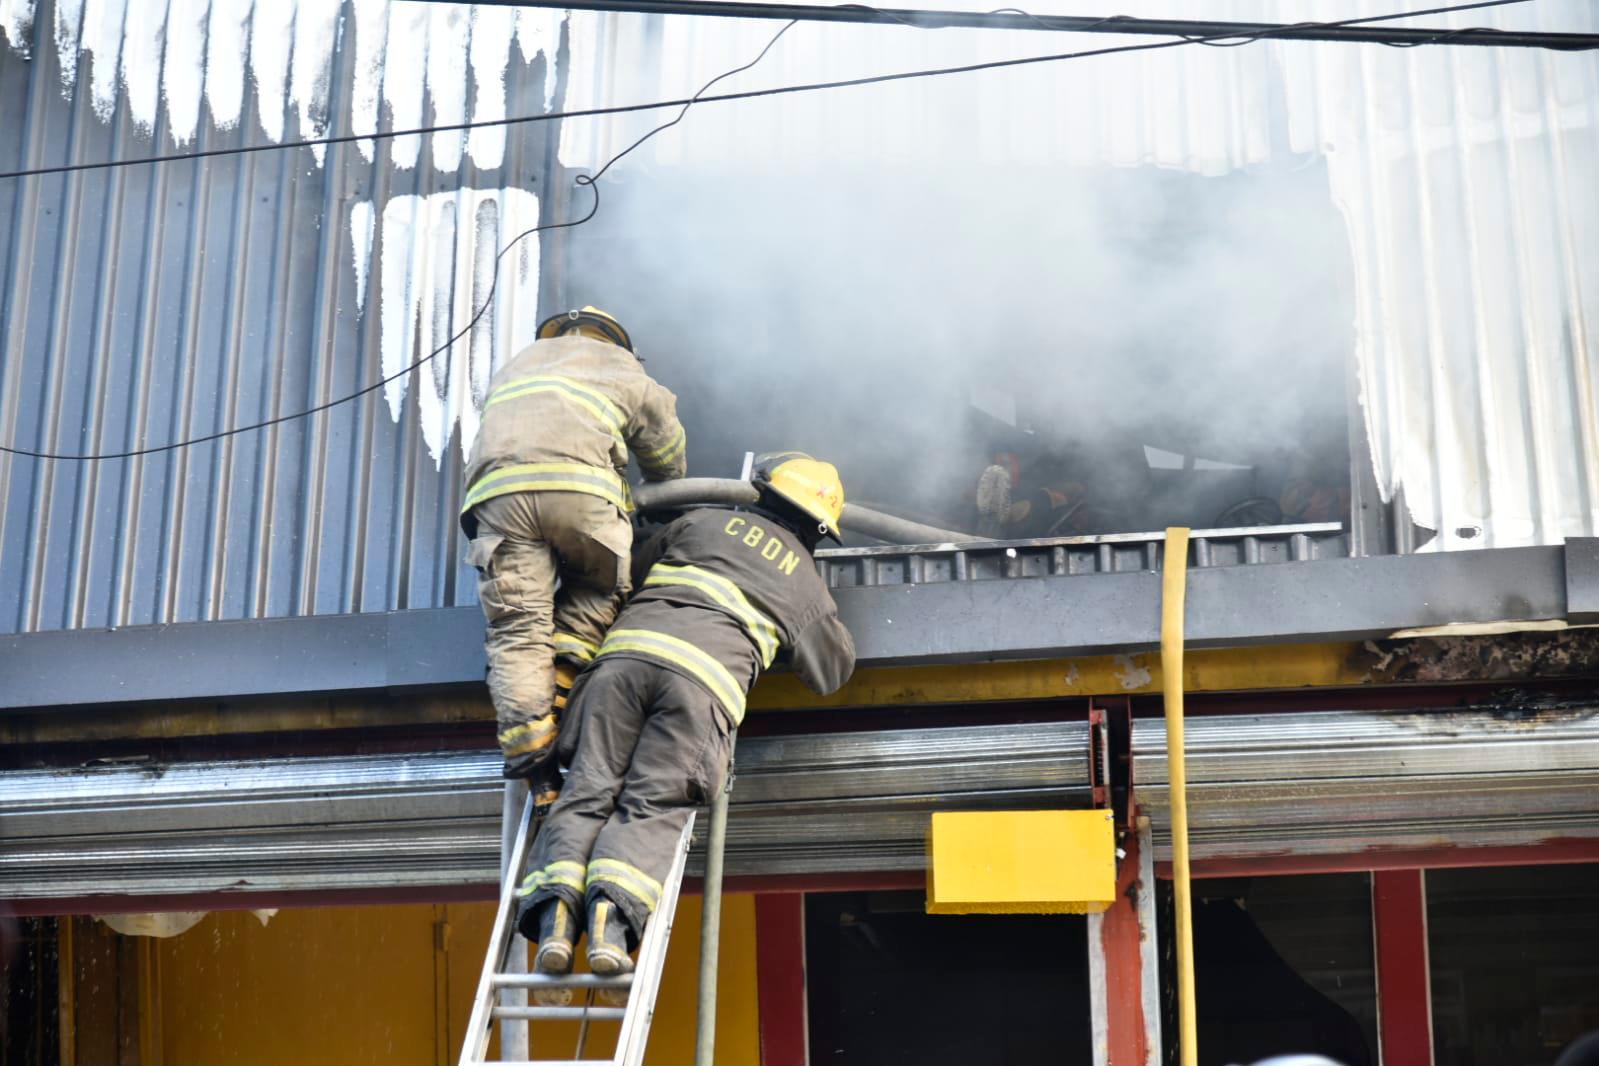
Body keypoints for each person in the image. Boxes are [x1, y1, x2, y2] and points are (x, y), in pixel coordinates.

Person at [515, 453, 856, 978]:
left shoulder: (701, 521)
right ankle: (609, 925)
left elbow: (627, 568)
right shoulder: (805, 580)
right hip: (697, 690)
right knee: (652, 804)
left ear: (762, 496)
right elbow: (832, 671)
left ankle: (556, 922)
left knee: (586, 788)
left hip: (619, 668)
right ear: (819, 530)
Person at [460, 307, 687, 787]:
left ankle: (530, 749)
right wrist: (664, 492)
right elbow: (665, 445)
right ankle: (564, 677)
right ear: (615, 340)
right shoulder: (620, 364)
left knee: (518, 626)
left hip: (499, 501)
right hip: (581, 495)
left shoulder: (516, 364)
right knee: (600, 587)